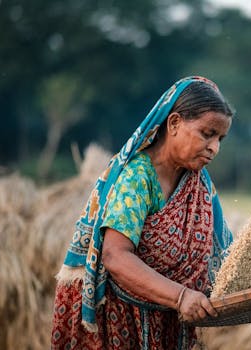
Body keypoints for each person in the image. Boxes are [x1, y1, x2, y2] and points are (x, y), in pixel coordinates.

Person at [51, 76, 234, 349]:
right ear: (174, 124)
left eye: (220, 138)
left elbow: (226, 259)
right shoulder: (138, 177)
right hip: (121, 324)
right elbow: (116, 256)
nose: (214, 148)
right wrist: (181, 297)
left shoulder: (200, 185)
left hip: (171, 328)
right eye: (207, 134)